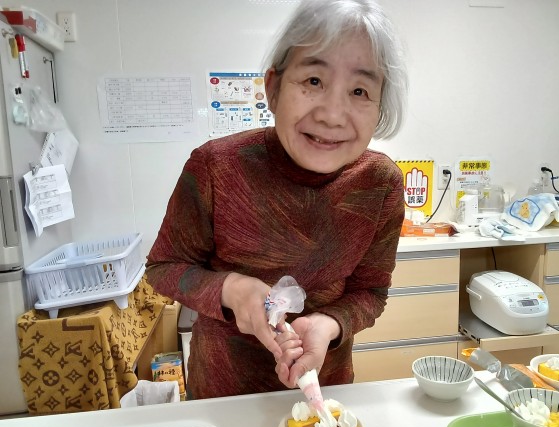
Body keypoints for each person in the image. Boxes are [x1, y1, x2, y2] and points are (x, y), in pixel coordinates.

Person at [146, 0, 408, 400]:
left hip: (323, 390)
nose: (332, 115)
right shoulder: (216, 166)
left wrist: (327, 325)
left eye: (359, 90)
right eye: (314, 81)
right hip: (224, 394)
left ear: (379, 106)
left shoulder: (380, 184)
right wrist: (232, 289)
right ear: (273, 88)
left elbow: (370, 292)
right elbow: (163, 267)